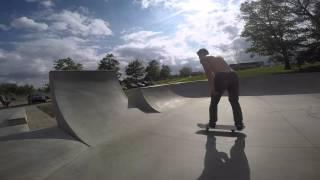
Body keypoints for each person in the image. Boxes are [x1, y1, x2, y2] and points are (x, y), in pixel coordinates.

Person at [197, 48, 244, 130]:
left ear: (201, 54)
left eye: (199, 56)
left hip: (221, 77)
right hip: (234, 75)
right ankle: (239, 123)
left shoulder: (203, 59)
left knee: (214, 102)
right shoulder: (219, 57)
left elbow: (209, 73)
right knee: (234, 101)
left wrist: (213, 88)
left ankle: (212, 122)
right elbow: (227, 69)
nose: (199, 58)